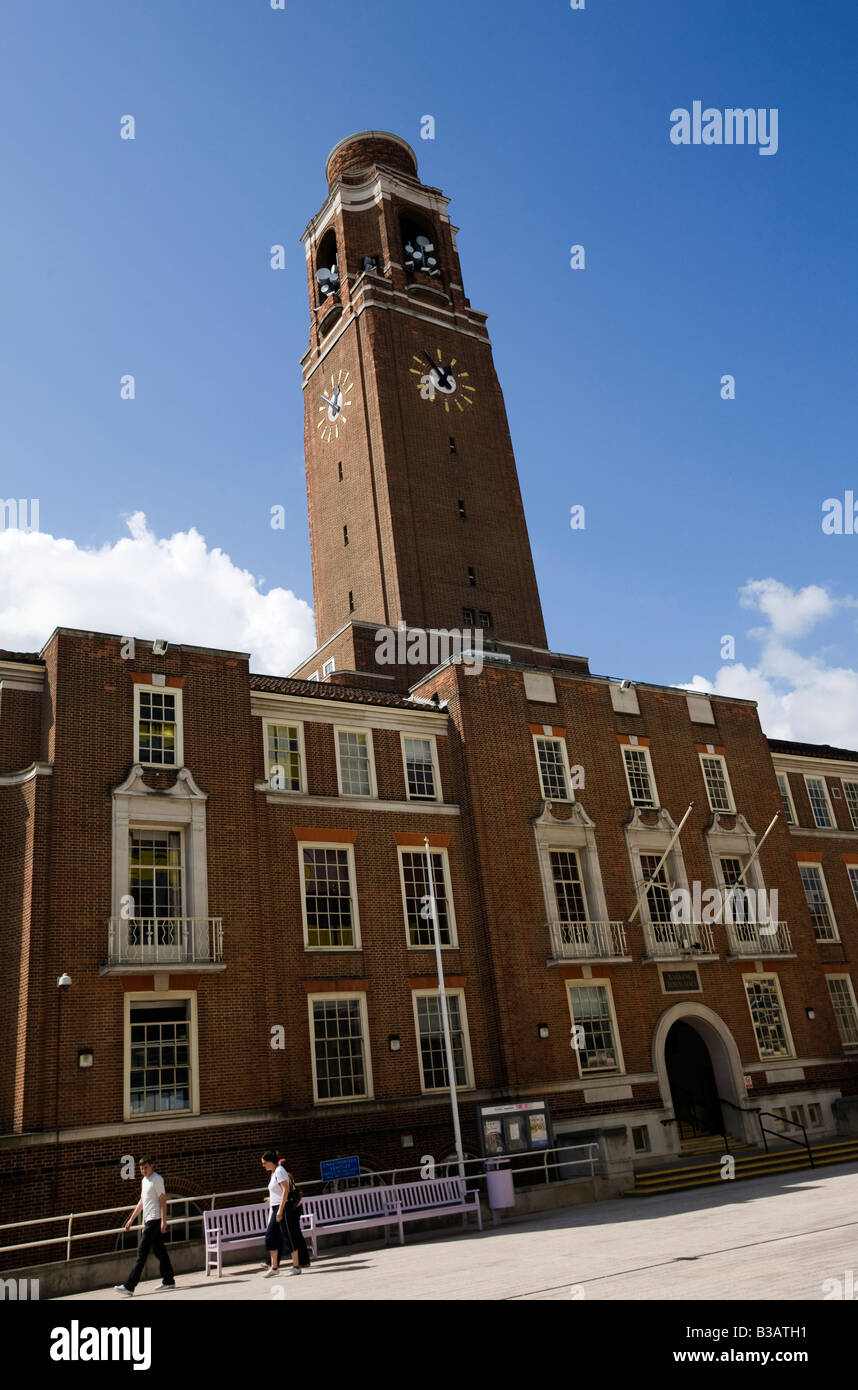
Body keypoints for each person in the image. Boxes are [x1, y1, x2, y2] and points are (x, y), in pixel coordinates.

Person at [114, 1156, 176, 1296]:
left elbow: (163, 1200)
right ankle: (169, 1280)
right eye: (141, 1168)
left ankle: (129, 1286)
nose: (143, 1170)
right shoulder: (144, 1181)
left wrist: (163, 1220)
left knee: (141, 1252)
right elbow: (142, 1202)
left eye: (146, 1168)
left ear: (152, 1166)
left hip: (154, 1220)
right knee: (160, 1251)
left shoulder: (157, 1179)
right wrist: (131, 1219)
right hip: (148, 1220)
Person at [260, 1150, 297, 1276]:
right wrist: (272, 1200)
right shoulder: (273, 1173)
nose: (263, 1165)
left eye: (264, 1163)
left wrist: (280, 1210)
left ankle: (296, 1265)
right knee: (270, 1236)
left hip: (283, 1207)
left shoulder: (280, 1171)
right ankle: (274, 1267)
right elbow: (277, 1192)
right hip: (275, 1206)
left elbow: (285, 1190)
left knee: (287, 1235)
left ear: (270, 1162)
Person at [277, 1151, 310, 1270]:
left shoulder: (286, 1176)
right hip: (295, 1207)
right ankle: (304, 1259)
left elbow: (287, 1192)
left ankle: (301, 1260)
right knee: (296, 1233)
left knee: (292, 1234)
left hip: (291, 1208)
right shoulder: (289, 1175)